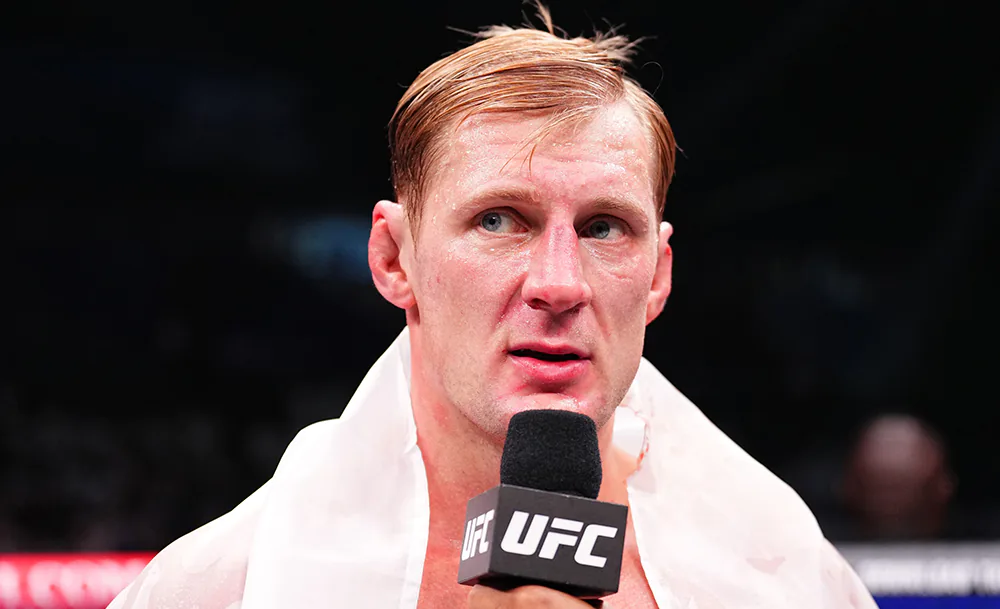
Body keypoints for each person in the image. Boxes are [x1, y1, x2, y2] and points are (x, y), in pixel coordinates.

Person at [108, 5, 876, 608]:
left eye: (604, 227)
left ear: (657, 275)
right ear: (393, 258)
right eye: (499, 220)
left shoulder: (786, 577)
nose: (559, 284)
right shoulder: (222, 589)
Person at [839, 414, 955, 540]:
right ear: (850, 489)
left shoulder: (967, 543)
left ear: (942, 488)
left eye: (905, 489)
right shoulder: (826, 545)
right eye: (881, 490)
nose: (891, 508)